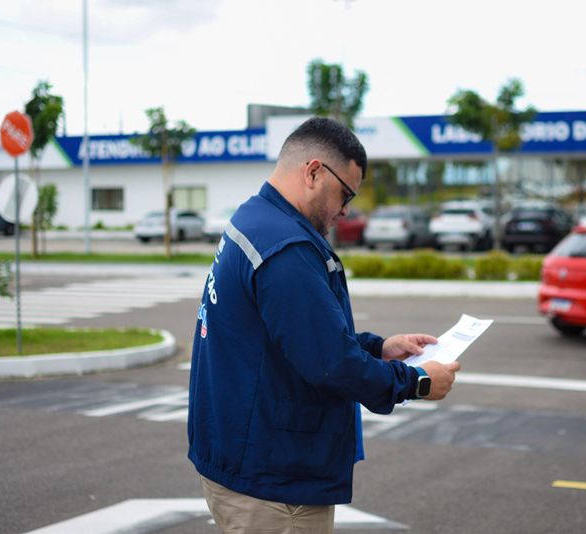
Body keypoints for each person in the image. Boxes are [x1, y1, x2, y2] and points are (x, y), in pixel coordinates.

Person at [187, 117, 461, 533]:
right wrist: (417, 381)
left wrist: (377, 347)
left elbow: (292, 335)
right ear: (314, 171)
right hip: (275, 482)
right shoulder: (286, 248)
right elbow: (330, 363)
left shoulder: (253, 219)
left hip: (244, 457)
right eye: (345, 193)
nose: (346, 209)